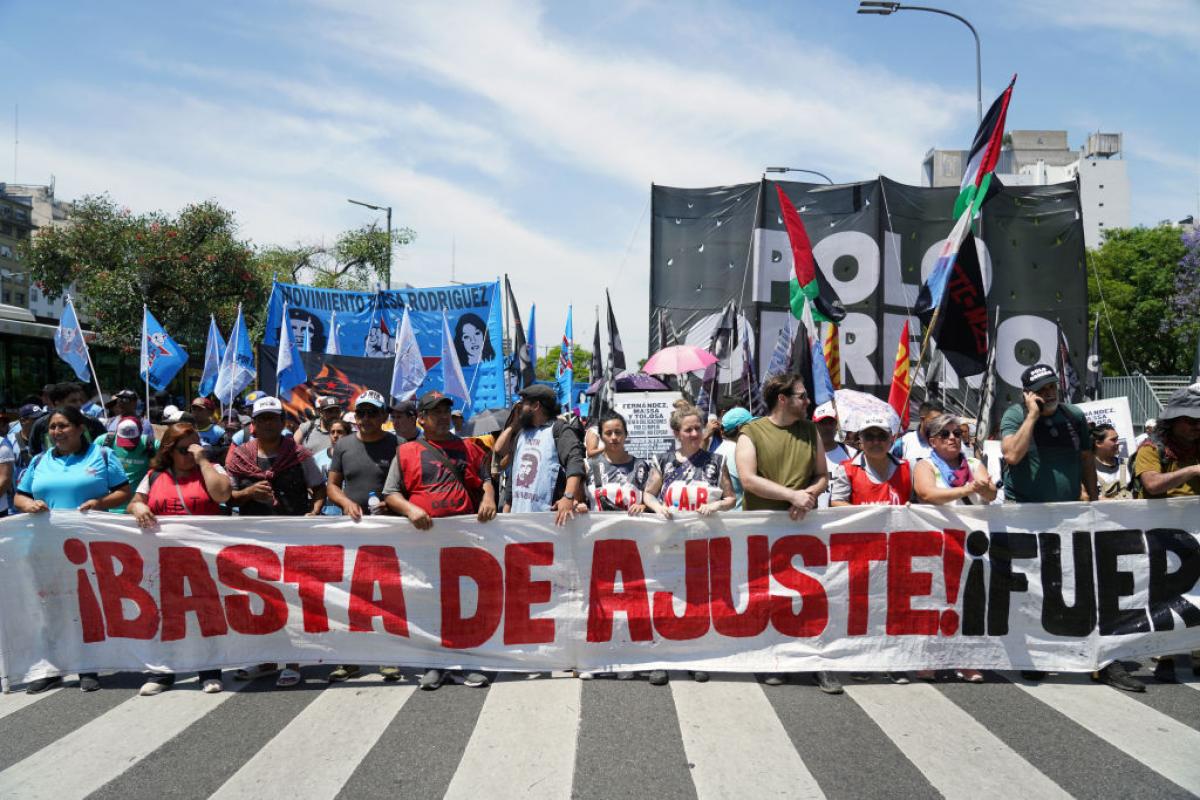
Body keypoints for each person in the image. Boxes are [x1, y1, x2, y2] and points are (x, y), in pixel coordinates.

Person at [1000, 365, 1125, 688]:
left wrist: (1093, 501)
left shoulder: (1074, 416)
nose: (1050, 393)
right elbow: (1012, 455)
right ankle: (1033, 655)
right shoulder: (1015, 415)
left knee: (1080, 584)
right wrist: (1032, 415)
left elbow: (1085, 459)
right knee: (1031, 589)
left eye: (1052, 386)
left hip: (1069, 516)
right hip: (1026, 517)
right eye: (1042, 389)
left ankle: (1097, 657)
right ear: (1028, 394)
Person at [383, 391, 497, 690]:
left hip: (463, 539)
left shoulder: (469, 448)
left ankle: (465, 662)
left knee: (465, 599)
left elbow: (486, 479)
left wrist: (489, 498)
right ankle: (434, 663)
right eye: (436, 413)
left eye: (446, 411)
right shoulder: (406, 451)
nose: (444, 417)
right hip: (425, 540)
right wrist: (410, 509)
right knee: (430, 600)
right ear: (421, 419)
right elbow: (391, 493)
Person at [13, 406, 132, 693]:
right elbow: (20, 496)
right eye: (53, 427)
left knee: (86, 606)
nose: (57, 432)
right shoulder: (39, 460)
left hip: (89, 546)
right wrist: (29, 505)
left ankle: (87, 666)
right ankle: (51, 668)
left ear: (80, 428)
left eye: (63, 425)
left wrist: (99, 503)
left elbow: (123, 491)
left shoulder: (102, 455)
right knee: (50, 606)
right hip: (45, 546)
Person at [734, 374, 835, 691]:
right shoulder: (751, 433)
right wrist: (791, 496)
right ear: (782, 399)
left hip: (804, 528)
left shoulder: (810, 431)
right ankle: (773, 660)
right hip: (763, 530)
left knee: (812, 596)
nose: (808, 401)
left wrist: (809, 495)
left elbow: (822, 475)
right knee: (770, 597)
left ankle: (815, 662)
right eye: (802, 396)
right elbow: (748, 479)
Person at [225, 395, 325, 687]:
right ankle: (266, 658)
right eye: (262, 419)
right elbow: (227, 496)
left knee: (291, 599)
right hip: (254, 541)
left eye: (273, 418)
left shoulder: (300, 455)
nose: (268, 423)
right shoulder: (238, 456)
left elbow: (319, 489)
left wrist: (314, 512)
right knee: (259, 598)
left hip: (291, 539)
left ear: (283, 422)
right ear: (253, 425)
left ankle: (292, 661)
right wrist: (248, 493)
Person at [126, 422, 232, 695]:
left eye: (196, 447)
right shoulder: (154, 476)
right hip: (162, 559)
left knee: (206, 614)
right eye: (185, 449)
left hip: (203, 558)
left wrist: (203, 460)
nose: (191, 453)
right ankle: (162, 672)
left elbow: (222, 494)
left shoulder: (212, 469)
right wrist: (138, 507)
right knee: (163, 614)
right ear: (170, 451)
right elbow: (133, 503)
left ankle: (209, 670)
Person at [640, 403, 735, 687]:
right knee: (665, 601)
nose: (695, 434)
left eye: (698, 428)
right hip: (669, 545)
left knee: (697, 603)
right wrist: (658, 508)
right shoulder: (663, 461)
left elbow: (731, 498)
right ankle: (660, 659)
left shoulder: (717, 461)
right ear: (676, 433)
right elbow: (648, 494)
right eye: (688, 429)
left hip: (702, 546)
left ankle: (695, 657)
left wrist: (716, 505)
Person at [912, 413, 997, 684]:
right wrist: (968, 489)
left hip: (973, 544)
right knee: (935, 602)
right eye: (945, 434)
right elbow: (927, 493)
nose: (953, 438)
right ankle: (930, 659)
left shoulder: (973, 463)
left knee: (969, 603)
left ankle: (966, 659)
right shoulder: (924, 465)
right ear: (933, 441)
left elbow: (991, 493)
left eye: (957, 434)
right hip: (938, 543)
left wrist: (983, 488)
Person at [326, 389, 400, 683]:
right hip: (352, 533)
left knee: (388, 595)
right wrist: (345, 503)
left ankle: (388, 657)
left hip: (388, 531)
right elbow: (332, 486)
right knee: (350, 595)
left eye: (372, 413)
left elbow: (406, 485)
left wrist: (392, 504)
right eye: (361, 413)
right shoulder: (343, 445)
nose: (366, 418)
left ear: (383, 416)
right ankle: (350, 659)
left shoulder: (397, 444)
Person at [1132, 383, 1200, 683]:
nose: (1197, 426)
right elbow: (1152, 484)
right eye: (1191, 420)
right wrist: (1193, 471)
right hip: (1161, 537)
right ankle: (1165, 655)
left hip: (1195, 534)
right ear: (1173, 420)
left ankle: (1197, 651)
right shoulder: (1151, 448)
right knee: (1163, 595)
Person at [495, 384, 586, 525]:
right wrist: (507, 511)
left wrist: (568, 497)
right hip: (519, 521)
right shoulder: (522, 434)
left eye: (524, 403)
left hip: (547, 522)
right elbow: (513, 473)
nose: (520, 407)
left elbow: (575, 461)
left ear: (536, 406)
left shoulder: (559, 430)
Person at [584, 410, 657, 515]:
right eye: (608, 433)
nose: (614, 437)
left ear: (626, 434)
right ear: (601, 436)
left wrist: (644, 507)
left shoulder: (641, 466)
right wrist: (579, 506)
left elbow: (654, 500)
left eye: (618, 432)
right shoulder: (589, 466)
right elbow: (578, 501)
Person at [27, 382, 109, 456]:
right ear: (57, 403)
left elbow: (105, 449)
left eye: (80, 400)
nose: (79, 404)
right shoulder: (40, 425)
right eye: (73, 401)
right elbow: (34, 453)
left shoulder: (92, 422)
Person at [102, 416, 157, 513]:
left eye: (133, 442)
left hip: (139, 509)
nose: (128, 447)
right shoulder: (104, 442)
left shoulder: (151, 445)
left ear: (141, 433)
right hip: (110, 508)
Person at [812, 402, 855, 508]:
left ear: (836, 425)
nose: (827, 427)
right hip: (812, 516)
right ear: (814, 426)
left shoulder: (852, 454)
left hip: (842, 516)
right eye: (822, 423)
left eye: (831, 423)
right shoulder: (805, 454)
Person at [715, 407, 754, 509]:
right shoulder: (738, 450)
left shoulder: (719, 450)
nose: (755, 429)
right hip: (742, 515)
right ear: (740, 428)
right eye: (751, 425)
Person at [312, 419, 351, 515]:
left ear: (348, 435)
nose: (335, 435)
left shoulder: (355, 457)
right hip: (324, 513)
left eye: (339, 432)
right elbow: (310, 484)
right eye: (332, 432)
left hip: (349, 511)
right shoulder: (317, 458)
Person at [892, 400, 944, 465]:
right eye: (935, 420)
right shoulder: (904, 442)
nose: (939, 423)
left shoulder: (946, 442)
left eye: (941, 420)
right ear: (922, 419)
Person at [1091, 423, 1131, 499]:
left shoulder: (1127, 464)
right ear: (1098, 443)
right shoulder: (1087, 468)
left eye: (1117, 439)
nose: (1118, 443)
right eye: (1113, 440)